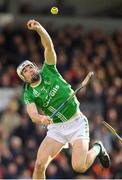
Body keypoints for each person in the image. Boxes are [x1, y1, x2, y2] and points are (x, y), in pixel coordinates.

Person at [17, 19, 110, 180]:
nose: (30, 70)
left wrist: (39, 29)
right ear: (24, 78)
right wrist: (41, 118)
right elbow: (32, 114)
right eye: (25, 70)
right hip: (57, 128)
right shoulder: (29, 93)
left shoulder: (49, 70)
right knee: (39, 165)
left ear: (35, 66)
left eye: (30, 66)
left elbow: (48, 47)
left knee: (79, 166)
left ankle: (97, 148)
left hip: (76, 123)